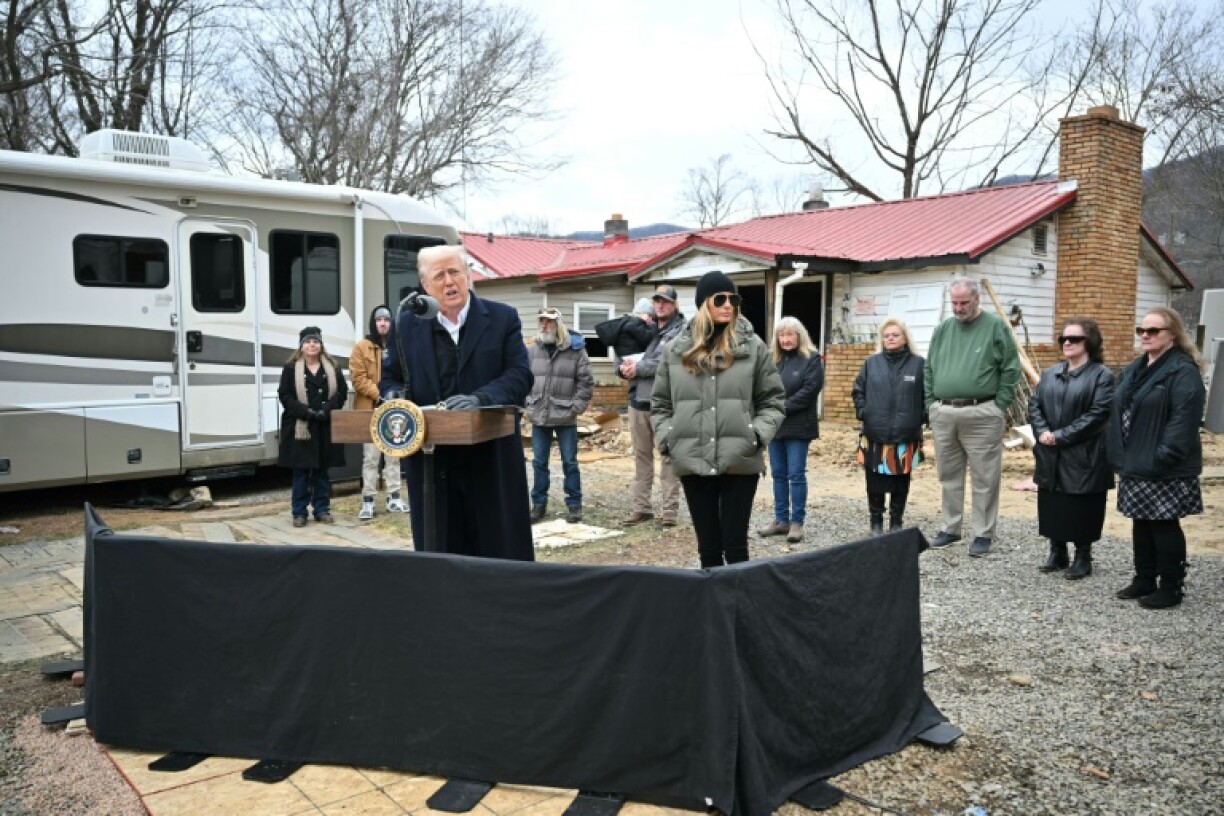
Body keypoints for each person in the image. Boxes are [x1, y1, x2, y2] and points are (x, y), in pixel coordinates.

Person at [379, 245, 535, 561]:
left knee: (497, 549)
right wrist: (394, 395)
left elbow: (520, 376)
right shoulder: (407, 324)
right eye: (440, 276)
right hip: (432, 461)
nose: (450, 282)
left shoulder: (503, 318)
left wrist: (481, 399)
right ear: (425, 286)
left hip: (491, 458)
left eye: (456, 272)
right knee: (442, 551)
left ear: (467, 275)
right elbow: (391, 376)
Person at [651, 271, 785, 568]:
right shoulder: (675, 351)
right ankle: (712, 612)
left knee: (736, 548)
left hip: (740, 458)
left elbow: (773, 400)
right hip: (692, 457)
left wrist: (756, 436)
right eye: (720, 299)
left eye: (733, 299)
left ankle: (740, 612)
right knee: (708, 550)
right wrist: (668, 438)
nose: (729, 305)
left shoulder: (753, 347)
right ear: (703, 305)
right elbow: (660, 403)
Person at [1107, 307, 1206, 609]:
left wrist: (1163, 456)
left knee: (1163, 524)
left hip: (1164, 464)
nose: (1145, 336)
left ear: (1172, 334)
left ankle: (1171, 587)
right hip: (1135, 461)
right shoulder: (1136, 367)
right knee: (1141, 521)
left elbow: (1183, 421)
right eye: (1142, 331)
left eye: (1154, 331)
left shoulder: (1182, 371)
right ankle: (1144, 579)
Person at [923, 277, 1022, 556]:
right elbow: (929, 368)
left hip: (982, 412)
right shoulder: (943, 329)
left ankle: (983, 533)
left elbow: (1011, 369)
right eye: (954, 302)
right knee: (948, 474)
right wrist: (932, 404)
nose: (958, 308)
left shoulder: (995, 327)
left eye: (964, 302)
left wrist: (999, 405)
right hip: (944, 411)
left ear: (977, 300)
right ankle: (951, 528)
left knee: (985, 476)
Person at [1029, 318, 1115, 579]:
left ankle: (1083, 556)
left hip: (1084, 453)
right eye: (1063, 338)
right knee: (1053, 502)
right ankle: (1057, 552)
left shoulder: (1102, 375)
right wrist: (1043, 432)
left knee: (1081, 505)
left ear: (1089, 342)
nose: (1067, 342)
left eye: (1074, 338)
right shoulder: (1050, 373)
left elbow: (1098, 414)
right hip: (1050, 452)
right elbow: (1035, 406)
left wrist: (1061, 436)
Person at [619, 284, 686, 527]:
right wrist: (622, 367)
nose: (660, 305)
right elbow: (624, 352)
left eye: (666, 301)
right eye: (657, 300)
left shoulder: (682, 331)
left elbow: (667, 362)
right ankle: (642, 508)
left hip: (665, 404)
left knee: (668, 457)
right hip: (638, 401)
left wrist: (638, 368)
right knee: (641, 457)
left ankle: (669, 512)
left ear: (674, 305)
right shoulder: (644, 328)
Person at [852, 317, 926, 536]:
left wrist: (919, 417)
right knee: (874, 481)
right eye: (886, 336)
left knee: (900, 482)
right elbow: (858, 391)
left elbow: (928, 395)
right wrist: (863, 412)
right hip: (875, 433)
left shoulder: (919, 364)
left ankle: (896, 522)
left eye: (895, 335)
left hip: (905, 434)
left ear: (905, 338)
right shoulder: (871, 363)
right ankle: (876, 522)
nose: (890, 339)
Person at [757, 316, 823, 543]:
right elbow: (762, 388)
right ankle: (780, 520)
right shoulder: (772, 360)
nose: (785, 339)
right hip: (775, 427)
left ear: (799, 336)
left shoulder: (812, 359)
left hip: (798, 427)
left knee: (795, 474)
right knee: (778, 475)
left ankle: (797, 522)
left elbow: (810, 390)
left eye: (790, 335)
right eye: (781, 335)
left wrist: (780, 408)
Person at [527, 307, 595, 524]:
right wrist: (527, 403)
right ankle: (539, 505)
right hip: (539, 414)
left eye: (549, 322)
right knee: (538, 462)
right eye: (542, 322)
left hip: (565, 415)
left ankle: (574, 505)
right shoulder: (532, 350)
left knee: (570, 462)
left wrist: (576, 407)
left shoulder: (575, 350)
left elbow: (586, 381)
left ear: (558, 325)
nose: (544, 326)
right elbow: (523, 378)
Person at [278, 326, 348, 527]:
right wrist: (305, 411)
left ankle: (322, 510)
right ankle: (299, 513)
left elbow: (341, 392)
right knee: (301, 472)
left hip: (324, 425)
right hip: (301, 426)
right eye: (308, 342)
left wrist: (327, 409)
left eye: (315, 341)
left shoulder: (332, 367)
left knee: (321, 472)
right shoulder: (291, 368)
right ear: (301, 346)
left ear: (321, 345)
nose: (312, 345)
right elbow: (285, 395)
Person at [350, 304, 407, 520]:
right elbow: (358, 379)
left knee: (394, 456)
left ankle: (394, 498)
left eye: (386, 319)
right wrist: (381, 394)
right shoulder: (362, 347)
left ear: (392, 323)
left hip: (394, 411)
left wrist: (398, 394)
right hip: (370, 409)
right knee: (371, 458)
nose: (382, 323)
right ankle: (368, 501)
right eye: (378, 320)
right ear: (373, 323)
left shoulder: (398, 346)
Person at [595, 297, 657, 361]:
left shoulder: (629, 322)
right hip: (633, 356)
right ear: (641, 313)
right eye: (649, 315)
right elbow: (646, 338)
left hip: (624, 356)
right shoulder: (635, 323)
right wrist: (654, 326)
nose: (651, 319)